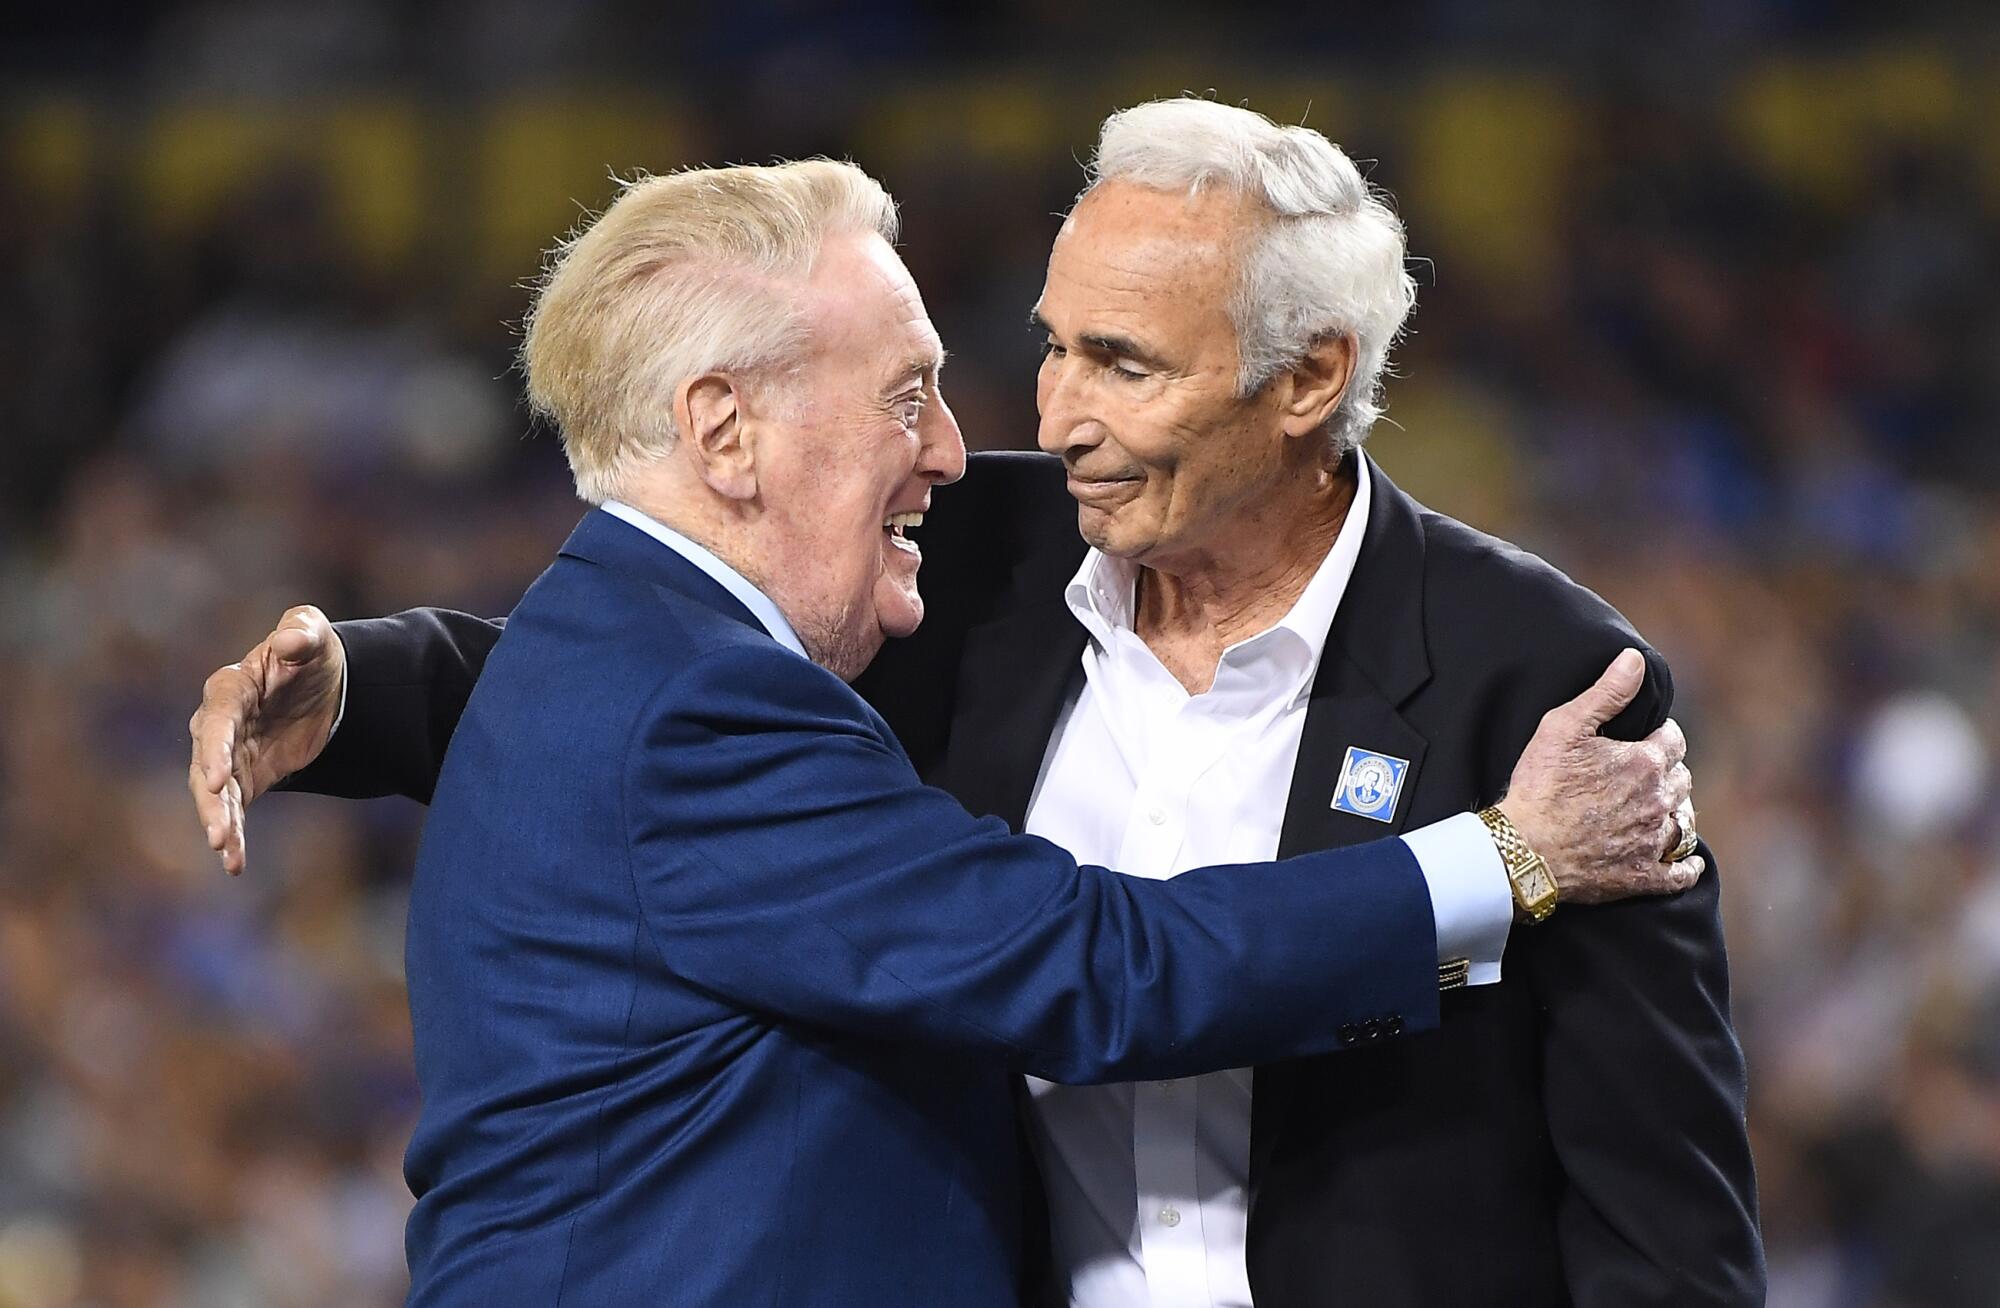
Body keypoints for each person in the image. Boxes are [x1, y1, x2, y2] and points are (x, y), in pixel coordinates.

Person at [188, 123, 1723, 1307]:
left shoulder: (1546, 683)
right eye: (931, 384)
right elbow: (1093, 968)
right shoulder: (879, 625)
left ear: (1308, 376)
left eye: (1117, 360)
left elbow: (1663, 1216)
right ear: (725, 431)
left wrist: (364, 682)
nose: (1017, 430)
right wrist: (1502, 866)